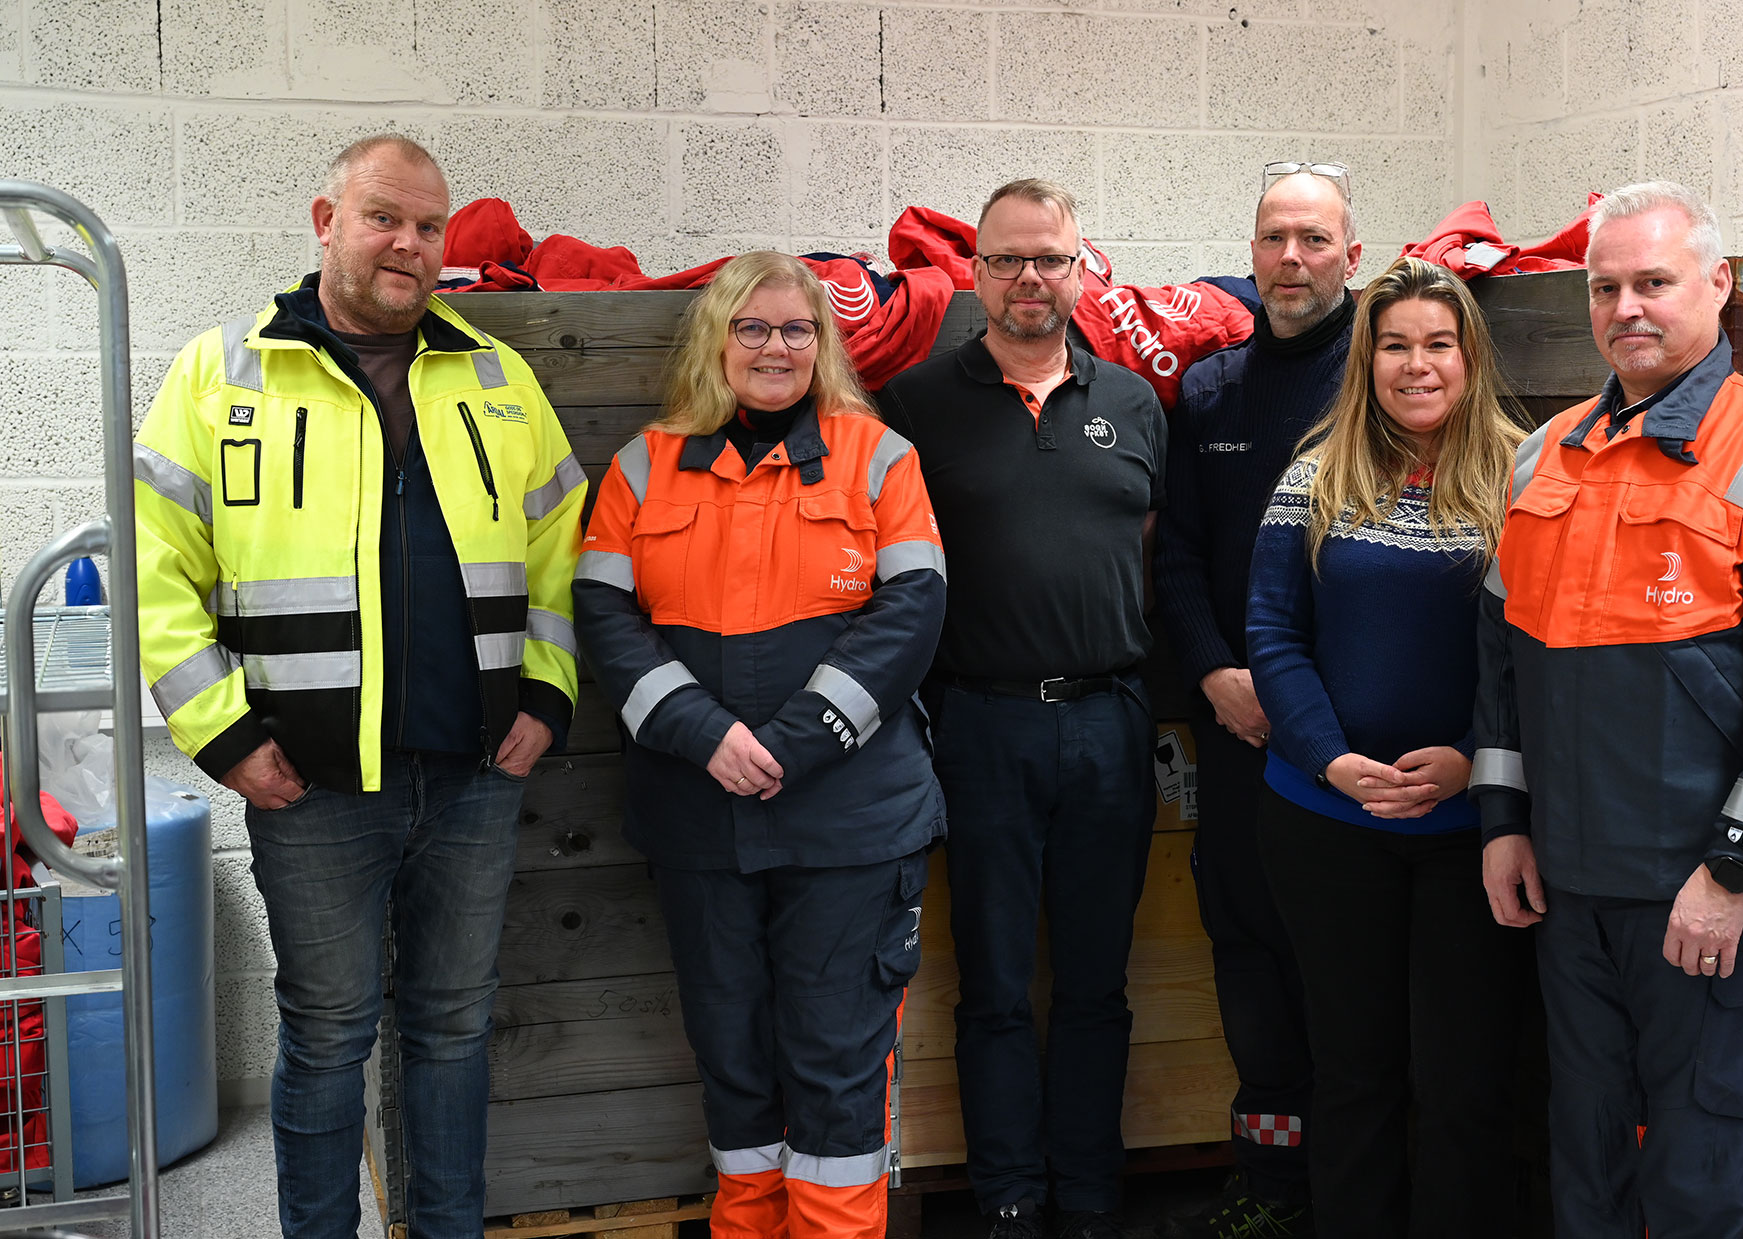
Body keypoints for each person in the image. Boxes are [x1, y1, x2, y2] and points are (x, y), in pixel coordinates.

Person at [133, 134, 585, 1236]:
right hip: (312, 784)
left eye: (429, 227)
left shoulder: (495, 375)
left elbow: (561, 548)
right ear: (324, 220)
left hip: (474, 775)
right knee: (329, 1037)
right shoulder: (222, 373)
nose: (409, 244)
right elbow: (154, 570)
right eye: (384, 216)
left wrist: (546, 694)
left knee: (453, 1030)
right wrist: (223, 735)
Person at [1471, 181, 1743, 1238]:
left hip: (1698, 891)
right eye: (1604, 288)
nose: (1626, 308)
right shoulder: (1541, 453)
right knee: (1587, 1167)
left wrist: (1734, 873)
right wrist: (1504, 822)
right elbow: (1504, 663)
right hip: (1568, 892)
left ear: (1717, 282)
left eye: (1652, 281)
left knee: (1697, 1176)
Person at [572, 251, 948, 1239]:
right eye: (752, 327)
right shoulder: (644, 464)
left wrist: (794, 741)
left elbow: (912, 611)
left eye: (795, 329)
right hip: (700, 817)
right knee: (731, 1058)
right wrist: (705, 735)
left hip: (850, 822)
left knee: (837, 1062)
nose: (774, 347)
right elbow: (602, 614)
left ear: (822, 345)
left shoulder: (880, 458)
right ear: (717, 340)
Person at [877, 179, 1168, 1239]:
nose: (1028, 278)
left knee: (1096, 981)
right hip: (979, 726)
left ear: (1082, 268)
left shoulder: (1134, 401)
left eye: (1049, 258)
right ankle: (1008, 1196)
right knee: (994, 984)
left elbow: (1149, 547)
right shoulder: (916, 403)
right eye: (1005, 259)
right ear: (975, 272)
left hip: (1108, 724)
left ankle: (1087, 1196)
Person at [1244, 256, 1535, 1238]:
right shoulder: (1315, 474)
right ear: (1366, 362)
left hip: (1473, 834)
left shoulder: (1524, 476)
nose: (1417, 365)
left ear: (1469, 357)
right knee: (1353, 1074)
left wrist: (1471, 759)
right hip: (1325, 822)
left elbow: (1543, 649)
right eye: (1395, 345)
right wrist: (1330, 758)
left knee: (1464, 1081)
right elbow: (1272, 633)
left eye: (1438, 344)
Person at [1154, 160, 1362, 1238]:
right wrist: (1211, 673)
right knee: (1247, 947)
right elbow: (1179, 554)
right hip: (1240, 729)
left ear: (1350, 256)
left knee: (1348, 958)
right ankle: (1270, 1183)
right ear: (1250, 253)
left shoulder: (1389, 372)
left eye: (1314, 239)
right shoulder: (1210, 391)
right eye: (1275, 238)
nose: (1292, 258)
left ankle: (1355, 1188)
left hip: (1355, 733)